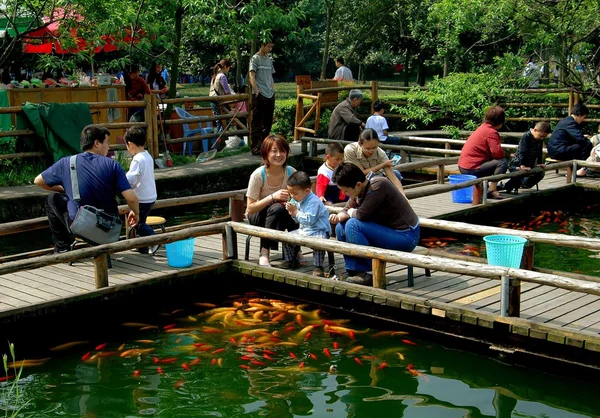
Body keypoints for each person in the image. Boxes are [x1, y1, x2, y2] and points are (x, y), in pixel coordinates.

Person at [33, 125, 139, 253]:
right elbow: (131, 198)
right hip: (108, 229)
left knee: (52, 199)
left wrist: (65, 189)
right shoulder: (113, 165)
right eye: (107, 142)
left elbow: (38, 181)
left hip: (81, 227)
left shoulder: (66, 162)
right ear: (97, 143)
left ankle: (62, 249)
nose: (108, 146)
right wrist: (136, 213)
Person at [329, 162, 420, 286]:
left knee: (353, 225)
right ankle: (354, 270)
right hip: (387, 232)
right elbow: (347, 209)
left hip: (406, 236)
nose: (344, 194)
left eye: (346, 191)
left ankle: (366, 271)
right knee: (341, 227)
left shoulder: (377, 185)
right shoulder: (359, 189)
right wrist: (338, 217)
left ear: (358, 184)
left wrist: (349, 212)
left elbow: (361, 215)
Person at [246, 134, 298, 267]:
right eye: (274, 151)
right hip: (258, 215)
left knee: (288, 210)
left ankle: (296, 250)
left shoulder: (291, 172)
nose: (279, 155)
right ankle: (264, 252)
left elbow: (302, 196)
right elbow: (250, 208)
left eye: (282, 151)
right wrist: (272, 197)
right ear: (266, 154)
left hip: (281, 214)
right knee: (277, 208)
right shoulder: (258, 175)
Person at [281, 171, 332, 277]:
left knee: (318, 244)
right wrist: (292, 214)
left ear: (307, 191)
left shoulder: (314, 202)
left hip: (319, 230)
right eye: (291, 193)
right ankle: (290, 260)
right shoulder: (298, 199)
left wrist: (296, 212)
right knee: (286, 238)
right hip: (305, 230)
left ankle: (318, 266)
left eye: (295, 193)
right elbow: (299, 220)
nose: (292, 196)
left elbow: (309, 220)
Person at [458, 106, 508, 202]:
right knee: (502, 162)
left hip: (463, 165)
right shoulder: (491, 132)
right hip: (471, 168)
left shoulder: (482, 127)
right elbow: (497, 153)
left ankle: (487, 188)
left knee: (494, 161)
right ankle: (492, 189)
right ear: (500, 121)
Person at [124, 127, 157, 254]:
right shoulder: (147, 156)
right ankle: (142, 247)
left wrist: (121, 181)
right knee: (140, 221)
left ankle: (155, 239)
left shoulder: (137, 159)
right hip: (150, 196)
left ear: (130, 144)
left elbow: (131, 178)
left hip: (141, 198)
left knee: (138, 223)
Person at [344, 128, 404, 195]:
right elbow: (360, 173)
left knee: (396, 173)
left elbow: (392, 177)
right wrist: (383, 165)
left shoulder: (380, 153)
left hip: (374, 180)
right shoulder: (350, 150)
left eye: (374, 147)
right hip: (355, 182)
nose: (371, 151)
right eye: (367, 148)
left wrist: (403, 195)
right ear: (359, 144)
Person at [502, 122, 551, 193]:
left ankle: (522, 184)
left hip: (530, 164)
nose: (542, 138)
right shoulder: (526, 136)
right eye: (540, 136)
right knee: (520, 173)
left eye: (544, 137)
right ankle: (507, 186)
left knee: (540, 173)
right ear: (535, 130)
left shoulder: (539, 139)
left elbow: (539, 152)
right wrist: (522, 165)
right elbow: (523, 151)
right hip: (517, 164)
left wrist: (540, 163)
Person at [547, 103, 592, 177]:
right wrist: (585, 139)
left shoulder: (566, 120)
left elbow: (572, 136)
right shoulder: (571, 123)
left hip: (554, 150)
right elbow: (580, 139)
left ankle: (576, 169)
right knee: (587, 144)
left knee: (581, 146)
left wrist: (583, 136)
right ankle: (581, 169)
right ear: (580, 115)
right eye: (584, 117)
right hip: (558, 151)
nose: (583, 120)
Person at [249, 41, 276, 155]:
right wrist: (256, 92)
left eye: (271, 47)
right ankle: (256, 147)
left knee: (268, 122)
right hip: (260, 94)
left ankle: (265, 146)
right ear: (262, 45)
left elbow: (271, 76)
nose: (270, 49)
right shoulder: (255, 58)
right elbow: (251, 76)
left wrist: (273, 90)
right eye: (269, 46)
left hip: (270, 94)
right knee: (257, 122)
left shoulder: (269, 59)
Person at [209, 59, 233, 132]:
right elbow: (227, 91)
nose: (229, 69)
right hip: (220, 101)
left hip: (213, 100)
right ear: (225, 66)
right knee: (226, 120)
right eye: (229, 67)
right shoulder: (222, 76)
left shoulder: (215, 75)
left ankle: (220, 139)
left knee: (218, 121)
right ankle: (223, 138)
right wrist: (232, 101)